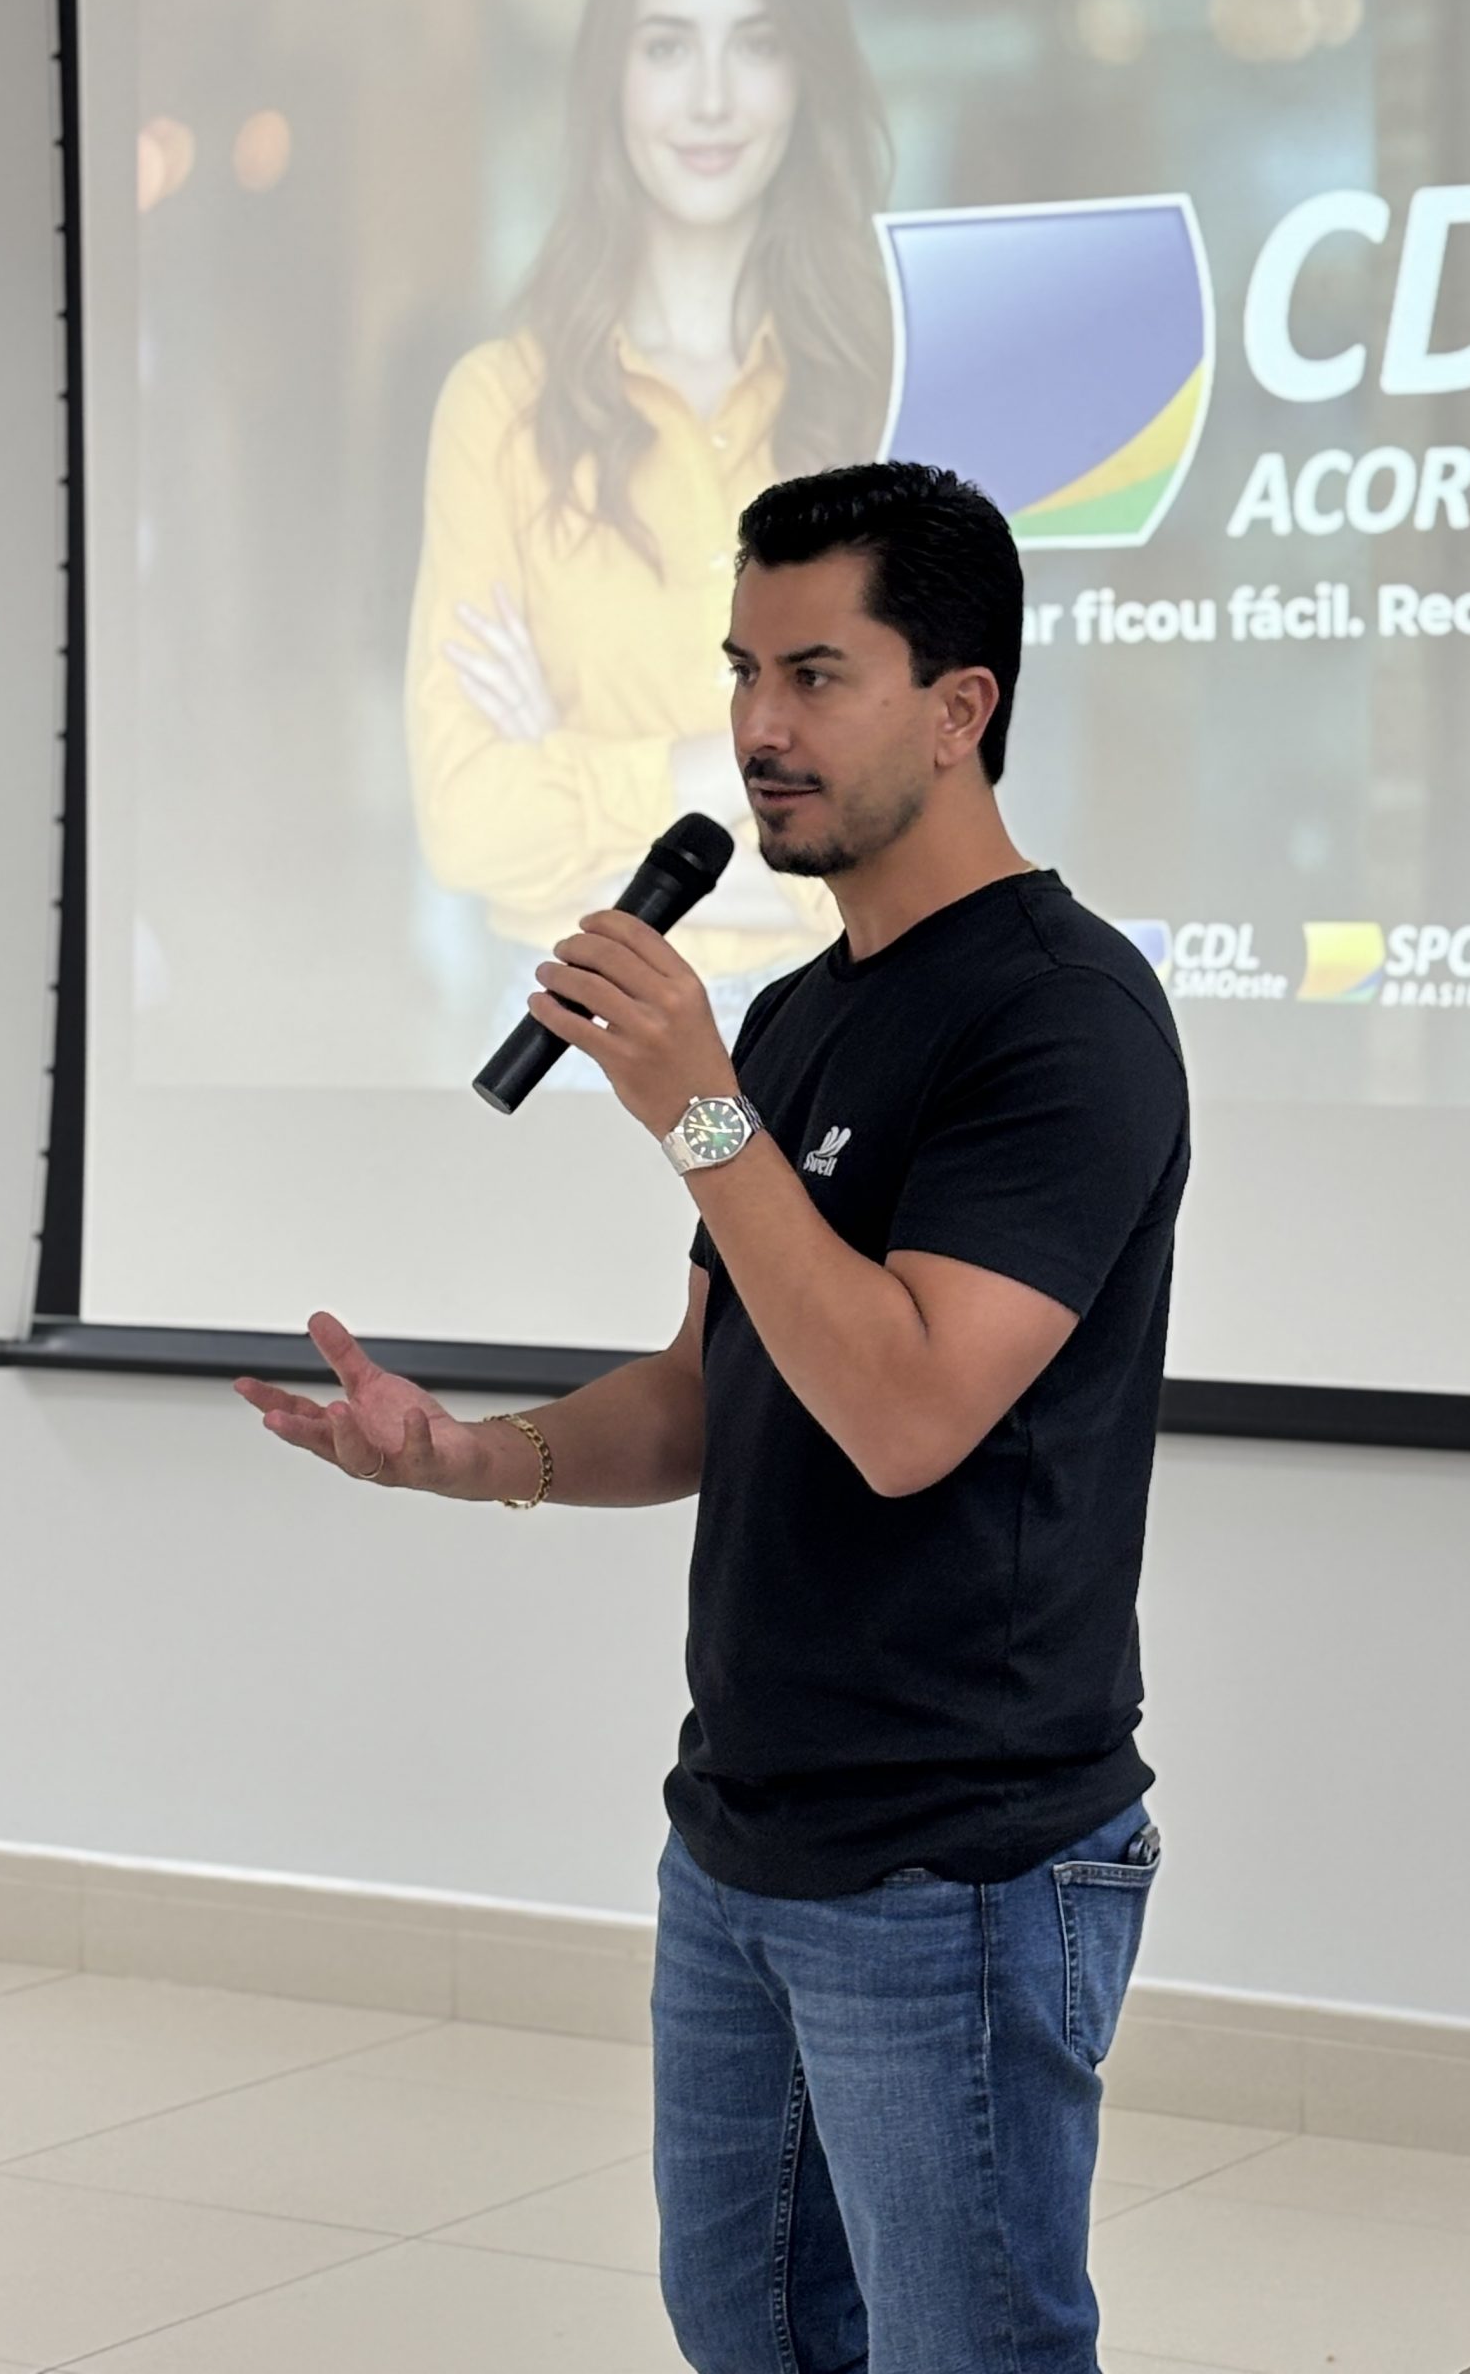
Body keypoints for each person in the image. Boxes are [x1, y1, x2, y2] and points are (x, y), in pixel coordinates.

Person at [242, 461, 1190, 2373]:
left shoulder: (1062, 1018)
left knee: (967, 2349)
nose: (758, 727)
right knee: (746, 2329)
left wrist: (694, 1109)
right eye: (744, 670)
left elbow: (906, 1414)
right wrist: (477, 1457)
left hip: (960, 1858)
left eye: (816, 674)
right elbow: (704, 1392)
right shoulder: (796, 1019)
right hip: (743, 1832)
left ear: (961, 705)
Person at [406, 0, 894, 1073]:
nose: (711, 98)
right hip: (578, 1053)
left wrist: (591, 798)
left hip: (841, 1042)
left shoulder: (888, 393)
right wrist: (726, 780)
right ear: (610, 76)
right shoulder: (501, 409)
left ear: (807, 72)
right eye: (668, 45)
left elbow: (919, 826)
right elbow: (466, 823)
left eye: (758, 42)